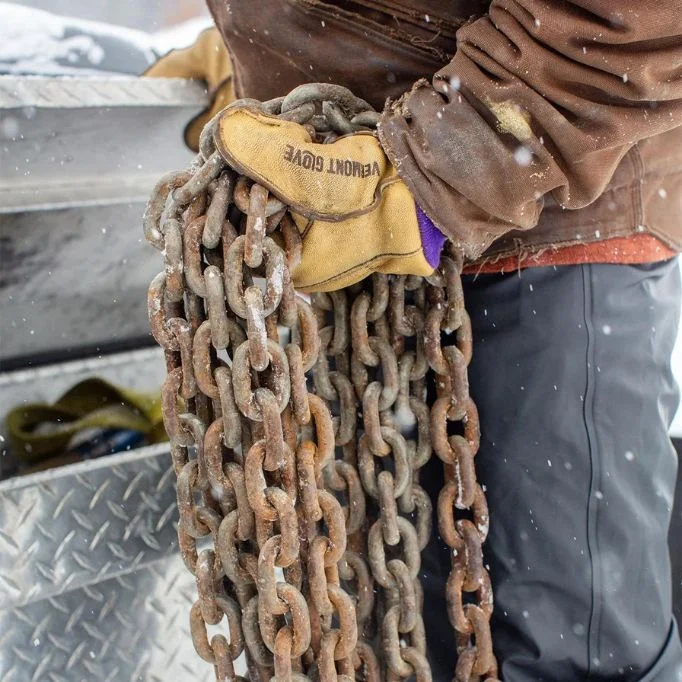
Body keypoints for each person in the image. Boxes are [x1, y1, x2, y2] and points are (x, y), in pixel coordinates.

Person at [149, 2, 682, 679]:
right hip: (367, 211)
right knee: (405, 623)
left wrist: (450, 161)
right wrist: (278, 45)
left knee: (563, 649)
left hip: (547, 224)